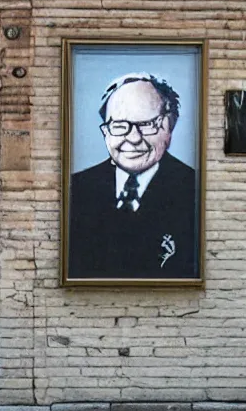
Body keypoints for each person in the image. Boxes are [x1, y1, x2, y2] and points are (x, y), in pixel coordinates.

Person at [68, 72, 199, 279]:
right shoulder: (76, 189)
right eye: (119, 126)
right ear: (106, 132)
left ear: (170, 127)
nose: (133, 138)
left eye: (147, 124)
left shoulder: (195, 189)